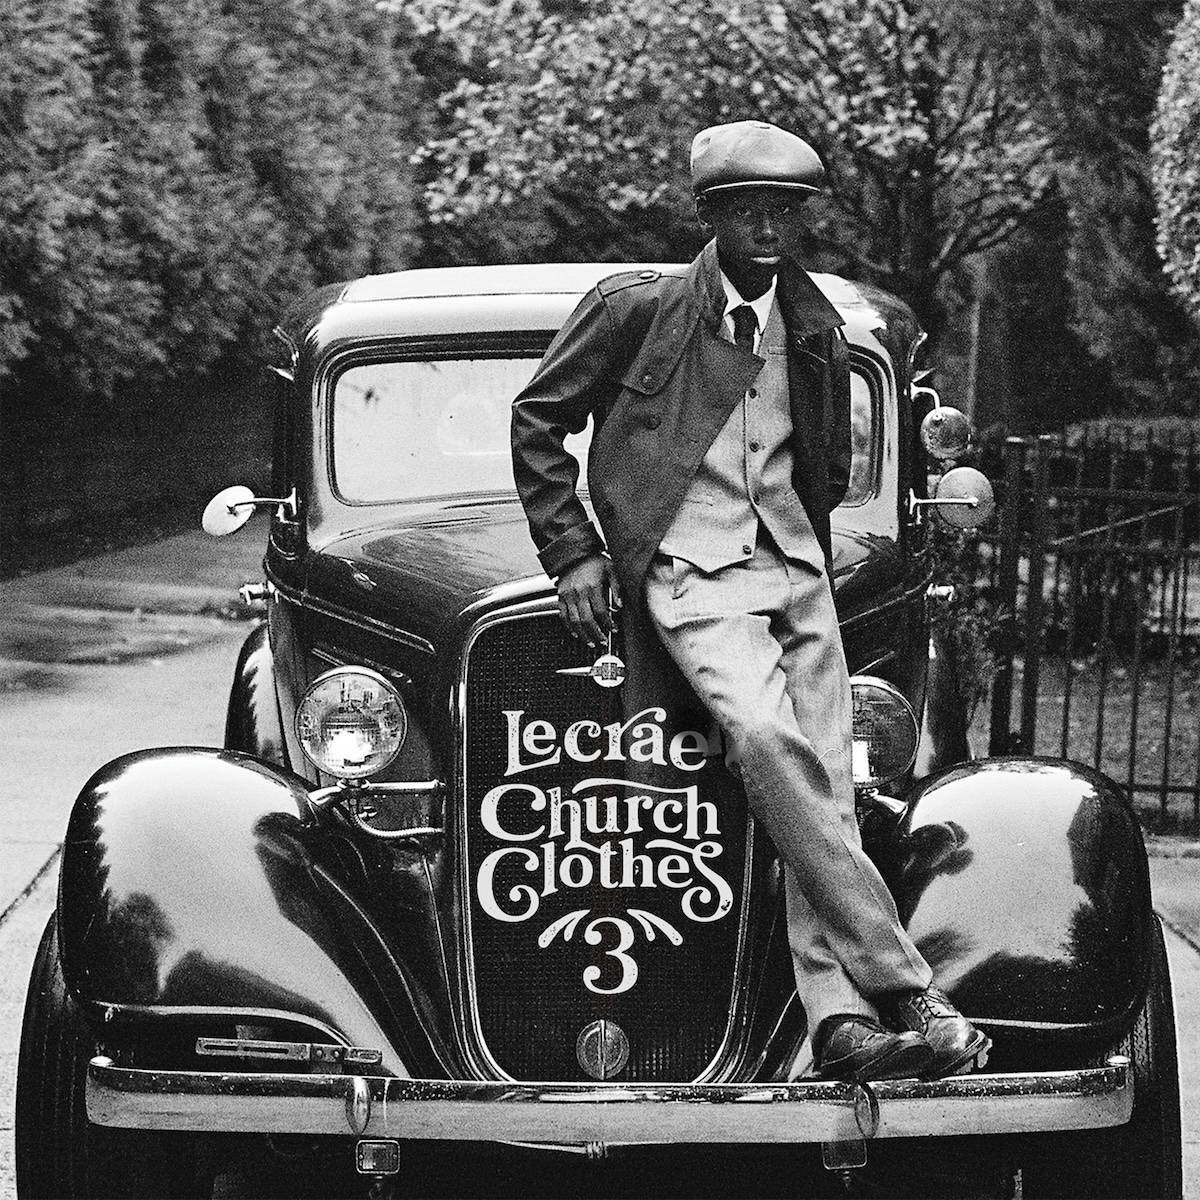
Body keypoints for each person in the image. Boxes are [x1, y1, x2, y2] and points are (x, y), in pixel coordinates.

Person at [510, 119, 990, 1082]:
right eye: (746, 210)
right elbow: (539, 420)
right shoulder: (634, 310)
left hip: (797, 569)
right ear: (710, 216)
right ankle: (906, 985)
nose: (768, 229)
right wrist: (575, 555)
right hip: (691, 572)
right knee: (769, 745)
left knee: (825, 787)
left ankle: (839, 1025)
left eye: (786, 211)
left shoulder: (815, 330)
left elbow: (820, 468)